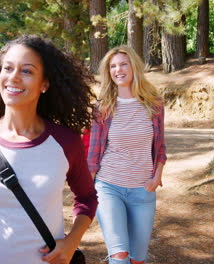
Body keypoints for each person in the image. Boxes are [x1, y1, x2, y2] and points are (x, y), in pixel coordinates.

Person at [0, 35, 98, 264]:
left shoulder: (66, 142)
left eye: (27, 71)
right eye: (8, 68)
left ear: (44, 84)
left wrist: (73, 240)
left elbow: (87, 198)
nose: (13, 77)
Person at [84, 46, 167, 264]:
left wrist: (157, 176)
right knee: (119, 255)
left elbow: (160, 147)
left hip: (143, 190)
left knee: (137, 258)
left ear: (134, 67)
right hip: (109, 187)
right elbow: (92, 154)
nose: (118, 70)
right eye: (112, 66)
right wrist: (86, 192)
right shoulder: (103, 107)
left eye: (123, 64)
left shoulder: (154, 104)